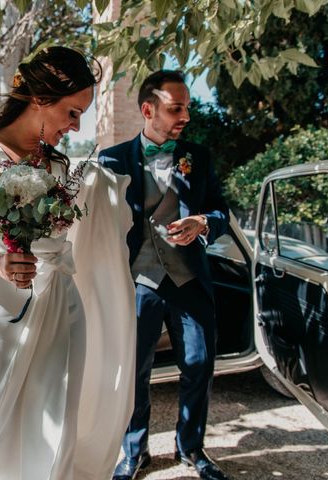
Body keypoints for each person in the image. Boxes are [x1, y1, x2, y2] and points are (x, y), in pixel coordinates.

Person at [0, 47, 137, 480]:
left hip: (58, 310)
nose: (75, 126)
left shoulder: (62, 168)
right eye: (72, 111)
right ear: (40, 98)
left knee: (56, 435)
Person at [99, 70, 230, 480]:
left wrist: (203, 223)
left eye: (187, 107)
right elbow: (99, 227)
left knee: (199, 362)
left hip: (188, 278)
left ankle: (190, 447)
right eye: (176, 108)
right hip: (138, 282)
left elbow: (222, 212)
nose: (185, 116)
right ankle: (134, 452)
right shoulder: (111, 160)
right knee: (134, 370)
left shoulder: (199, 156)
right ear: (147, 110)